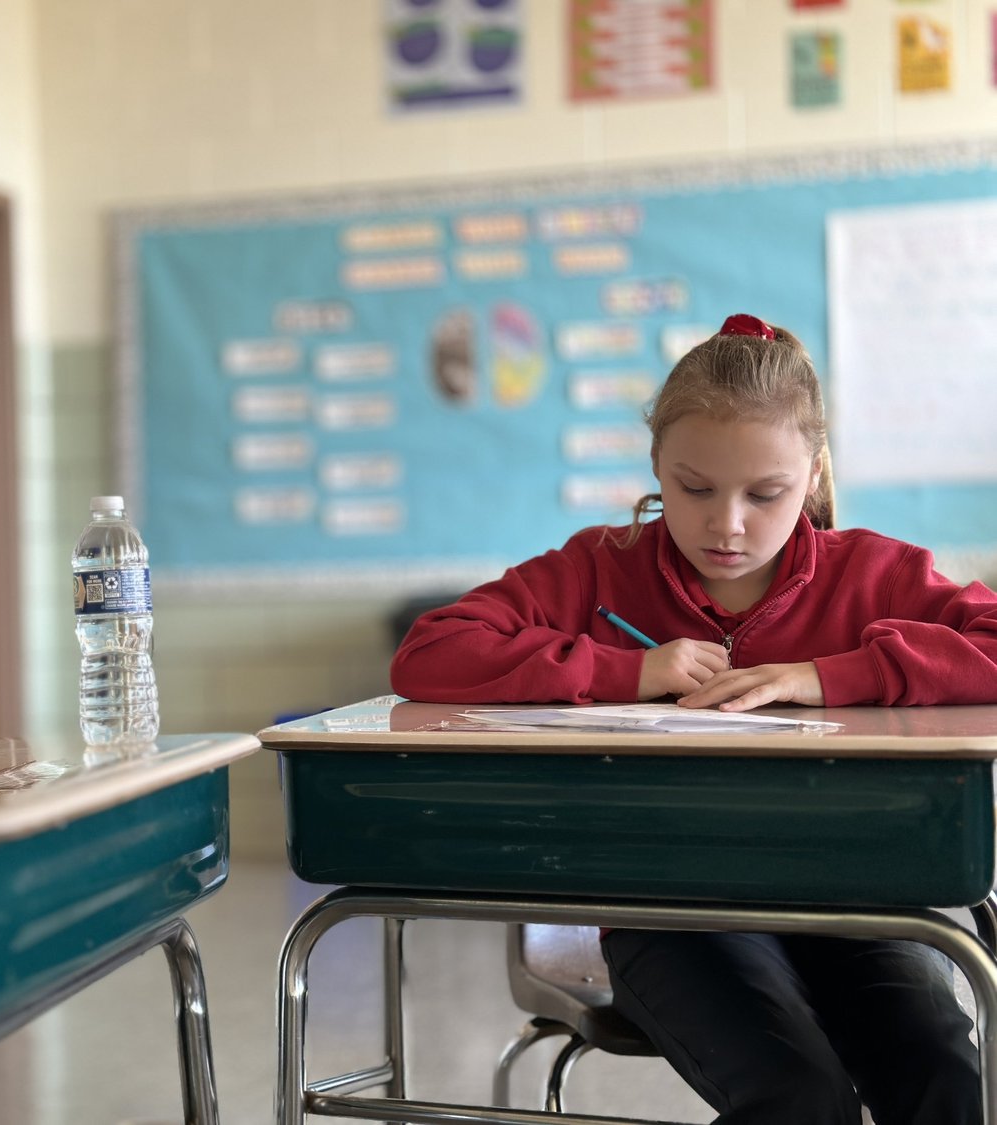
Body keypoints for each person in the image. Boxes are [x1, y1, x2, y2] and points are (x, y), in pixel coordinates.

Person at [390, 313, 997, 1124]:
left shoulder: (872, 573)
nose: (728, 524)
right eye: (695, 488)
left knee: (946, 1077)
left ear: (813, 475)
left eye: (766, 493)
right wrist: (627, 669)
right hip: (670, 911)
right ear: (656, 467)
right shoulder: (601, 568)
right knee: (799, 1099)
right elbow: (430, 651)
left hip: (855, 899)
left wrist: (831, 675)